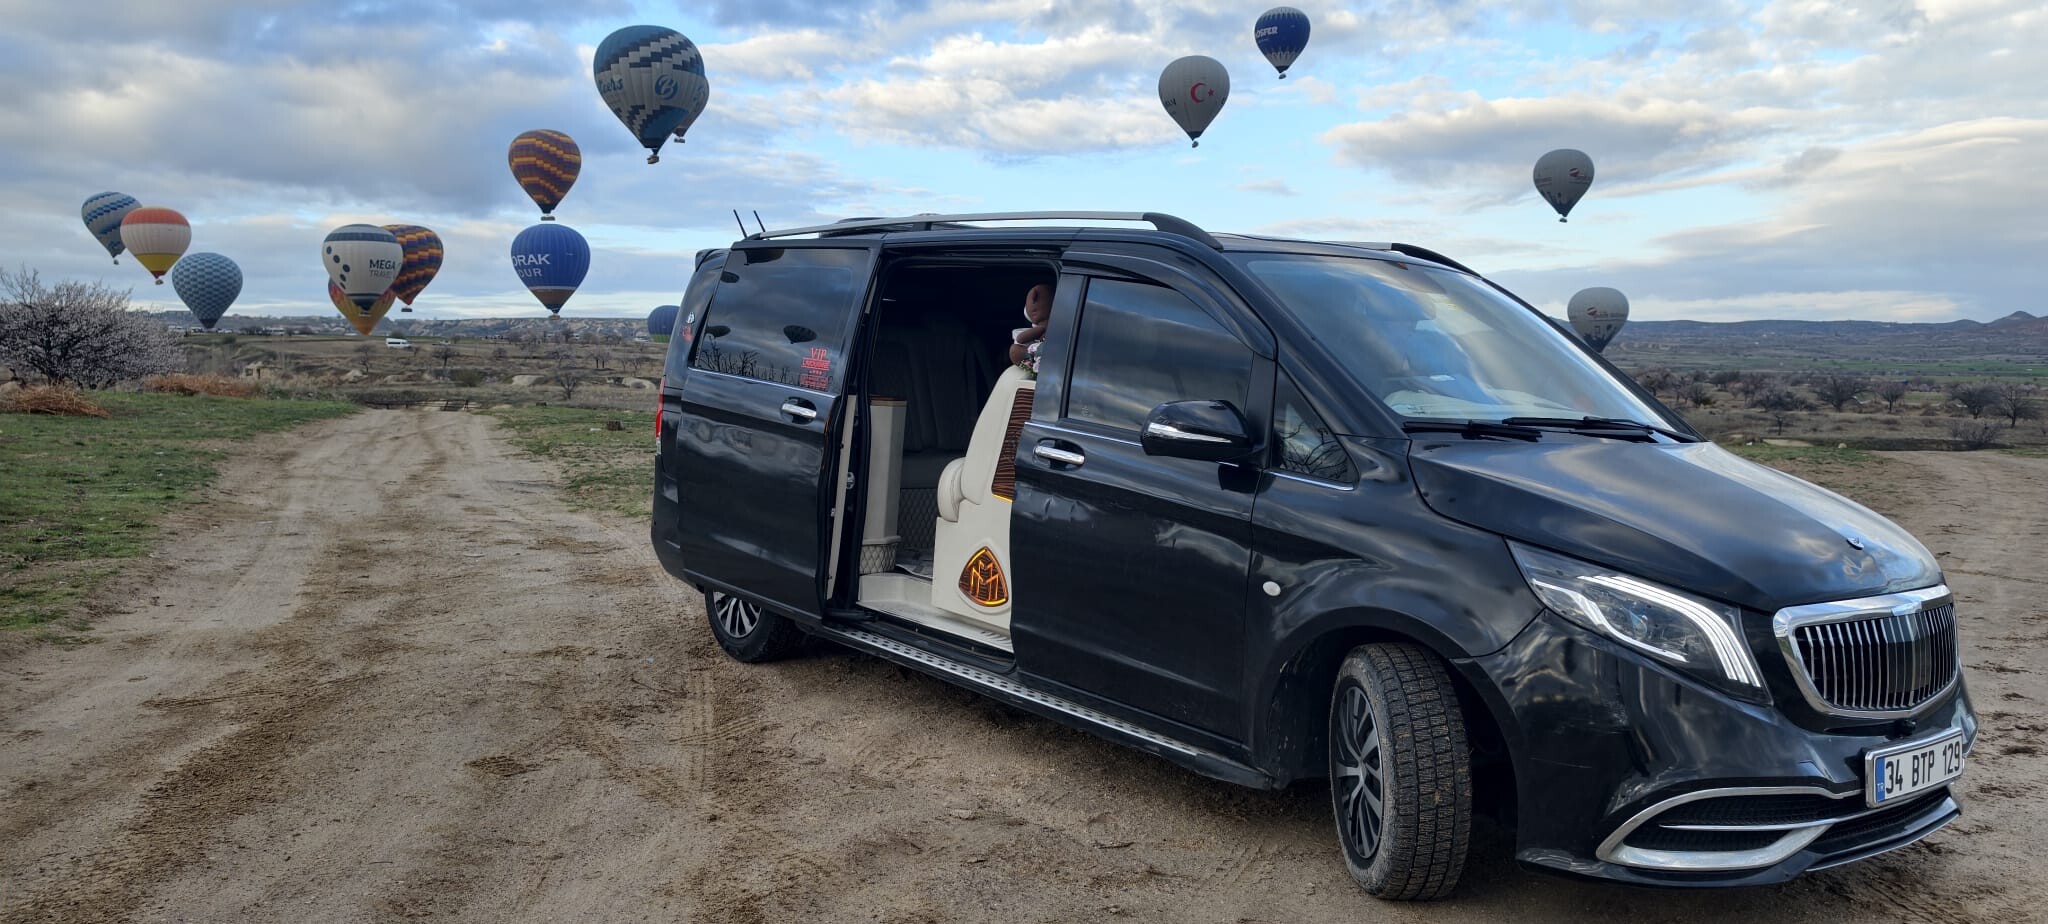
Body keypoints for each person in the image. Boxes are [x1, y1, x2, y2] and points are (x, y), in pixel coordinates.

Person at [1008, 283, 1053, 368]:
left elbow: (1020, 339)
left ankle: (1031, 360)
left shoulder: (1042, 328)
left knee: (1014, 350)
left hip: (1043, 354)